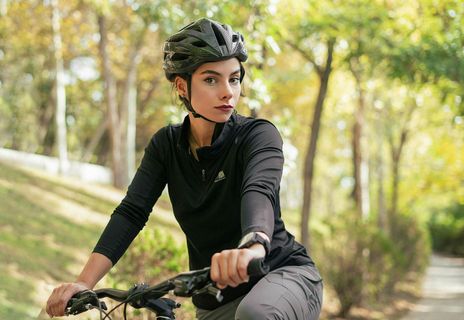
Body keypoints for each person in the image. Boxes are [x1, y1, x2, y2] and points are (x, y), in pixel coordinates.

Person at [46, 18, 323, 319]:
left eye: (234, 78)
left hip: (280, 276)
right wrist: (83, 283)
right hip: (214, 300)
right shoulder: (165, 146)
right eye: (210, 79)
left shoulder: (257, 136)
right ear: (182, 86)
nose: (228, 92)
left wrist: (254, 244)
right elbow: (131, 212)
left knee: (255, 313)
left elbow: (259, 190)